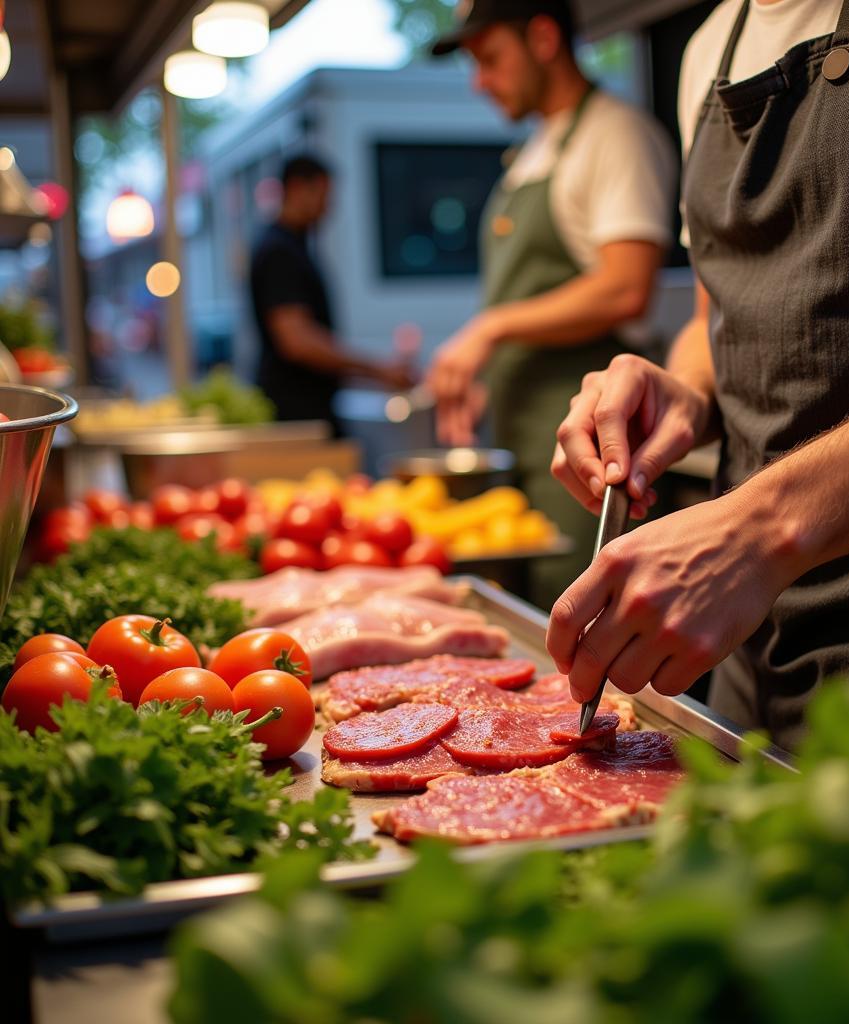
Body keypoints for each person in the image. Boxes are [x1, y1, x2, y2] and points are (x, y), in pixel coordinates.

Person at [546, 0, 849, 749]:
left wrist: (760, 527)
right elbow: (722, 314)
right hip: (750, 659)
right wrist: (686, 392)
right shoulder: (710, 47)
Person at [426, 0, 676, 608]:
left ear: (542, 37)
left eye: (489, 59)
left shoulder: (614, 134)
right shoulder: (534, 151)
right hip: (528, 443)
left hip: (593, 452)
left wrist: (493, 327)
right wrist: (497, 371)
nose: (479, 81)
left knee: (584, 628)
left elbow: (624, 285)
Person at [249, 154, 412, 427]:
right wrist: (377, 369)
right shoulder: (280, 251)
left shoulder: (292, 246)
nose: (328, 208)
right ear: (298, 188)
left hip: (306, 409)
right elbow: (298, 341)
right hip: (296, 415)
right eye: (324, 196)